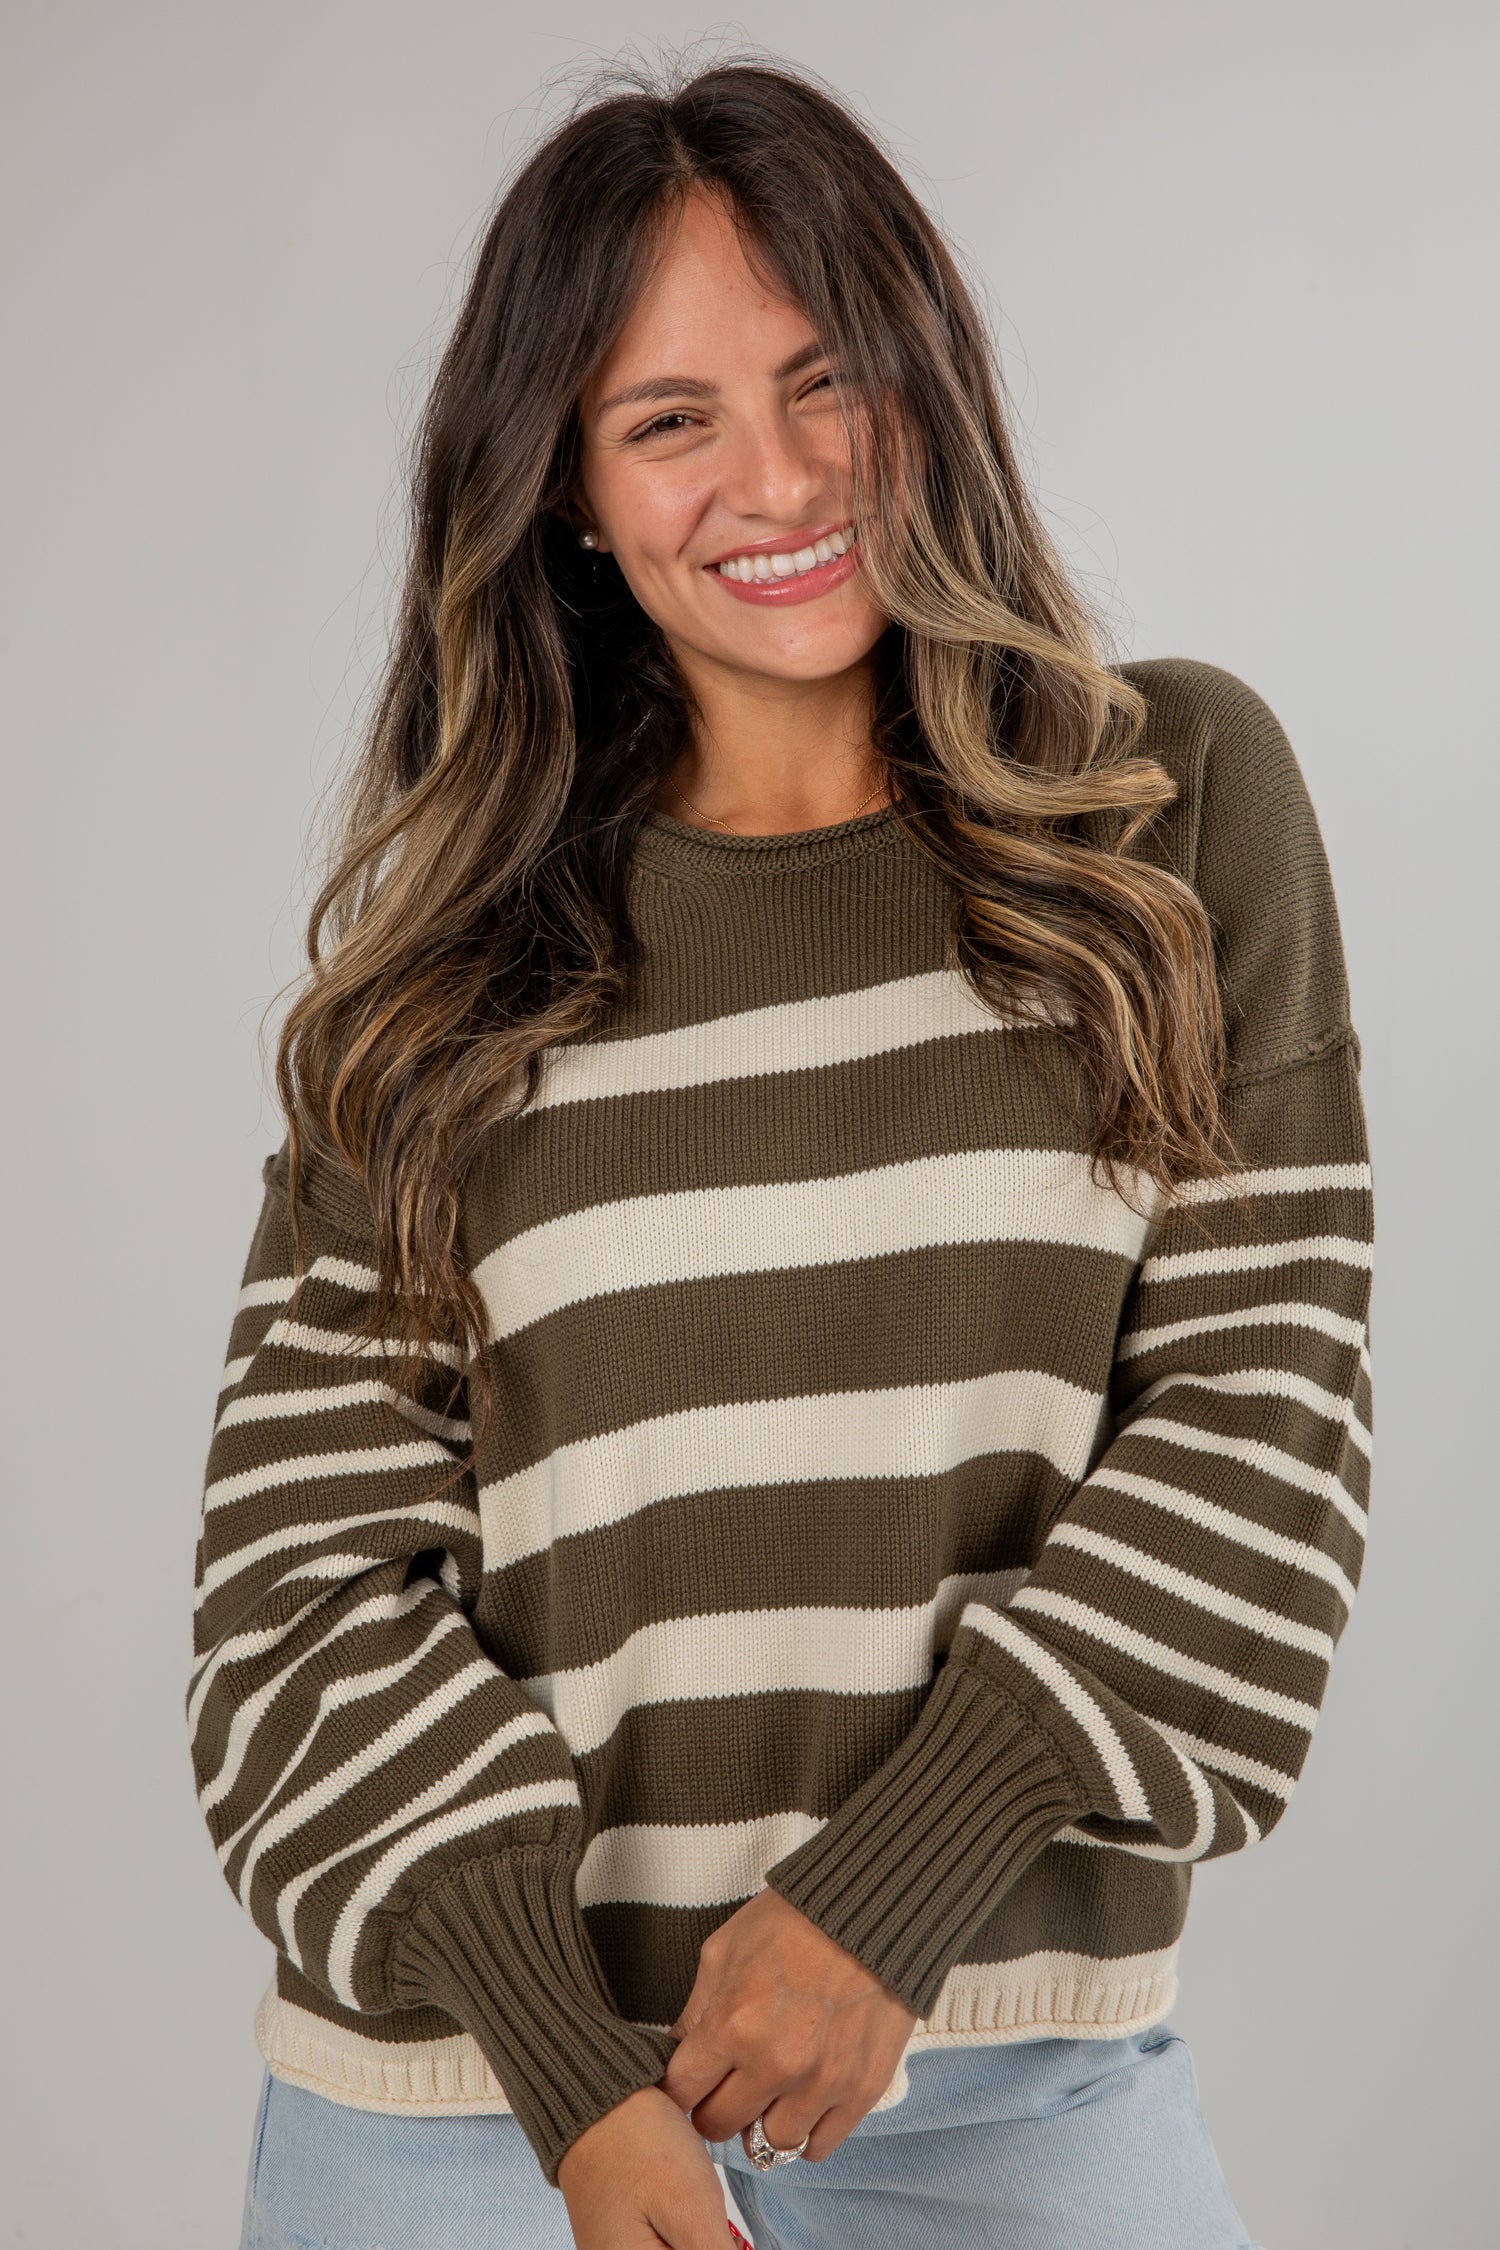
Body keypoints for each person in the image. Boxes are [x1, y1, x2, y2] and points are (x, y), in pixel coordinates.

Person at [189, 55, 1372, 2250]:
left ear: (921, 383)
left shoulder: (1170, 814)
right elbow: (293, 1590)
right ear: (562, 481)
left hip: (1002, 2082)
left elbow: (1259, 1433)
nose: (779, 476)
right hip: (478, 2125)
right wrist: (574, 2082)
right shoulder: (438, 981)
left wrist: (882, 1903)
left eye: (828, 382)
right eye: (670, 420)